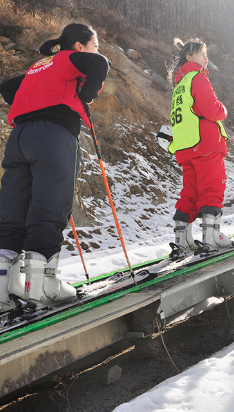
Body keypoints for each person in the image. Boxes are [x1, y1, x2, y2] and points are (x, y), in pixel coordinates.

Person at [0, 24, 109, 311]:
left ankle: (3, 289)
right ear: (79, 46)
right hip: (53, 135)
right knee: (49, 207)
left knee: (12, 211)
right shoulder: (68, 58)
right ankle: (42, 286)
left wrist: (32, 104)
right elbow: (99, 63)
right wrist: (86, 96)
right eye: (94, 44)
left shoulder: (40, 66)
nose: (97, 50)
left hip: (20, 136)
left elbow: (7, 87)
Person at [168, 38, 232, 256]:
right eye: (202, 53)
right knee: (212, 187)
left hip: (186, 148)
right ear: (189, 57)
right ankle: (211, 237)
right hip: (204, 143)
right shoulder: (198, 78)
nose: (206, 58)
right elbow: (212, 110)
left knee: (190, 192)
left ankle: (182, 240)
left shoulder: (180, 86)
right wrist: (223, 109)